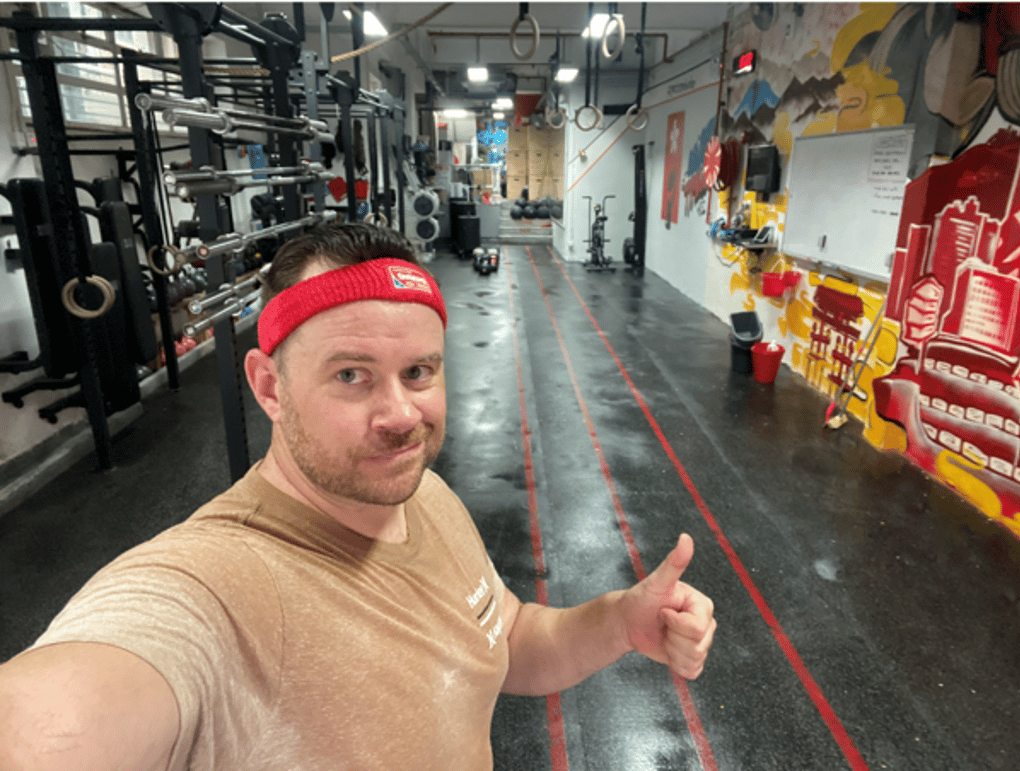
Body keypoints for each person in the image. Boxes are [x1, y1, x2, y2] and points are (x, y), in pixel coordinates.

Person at [0, 222, 716, 771]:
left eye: (418, 371)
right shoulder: (215, 584)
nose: (401, 414)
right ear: (269, 386)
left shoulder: (425, 497)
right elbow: (53, 723)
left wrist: (619, 621)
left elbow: (507, 639)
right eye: (351, 375)